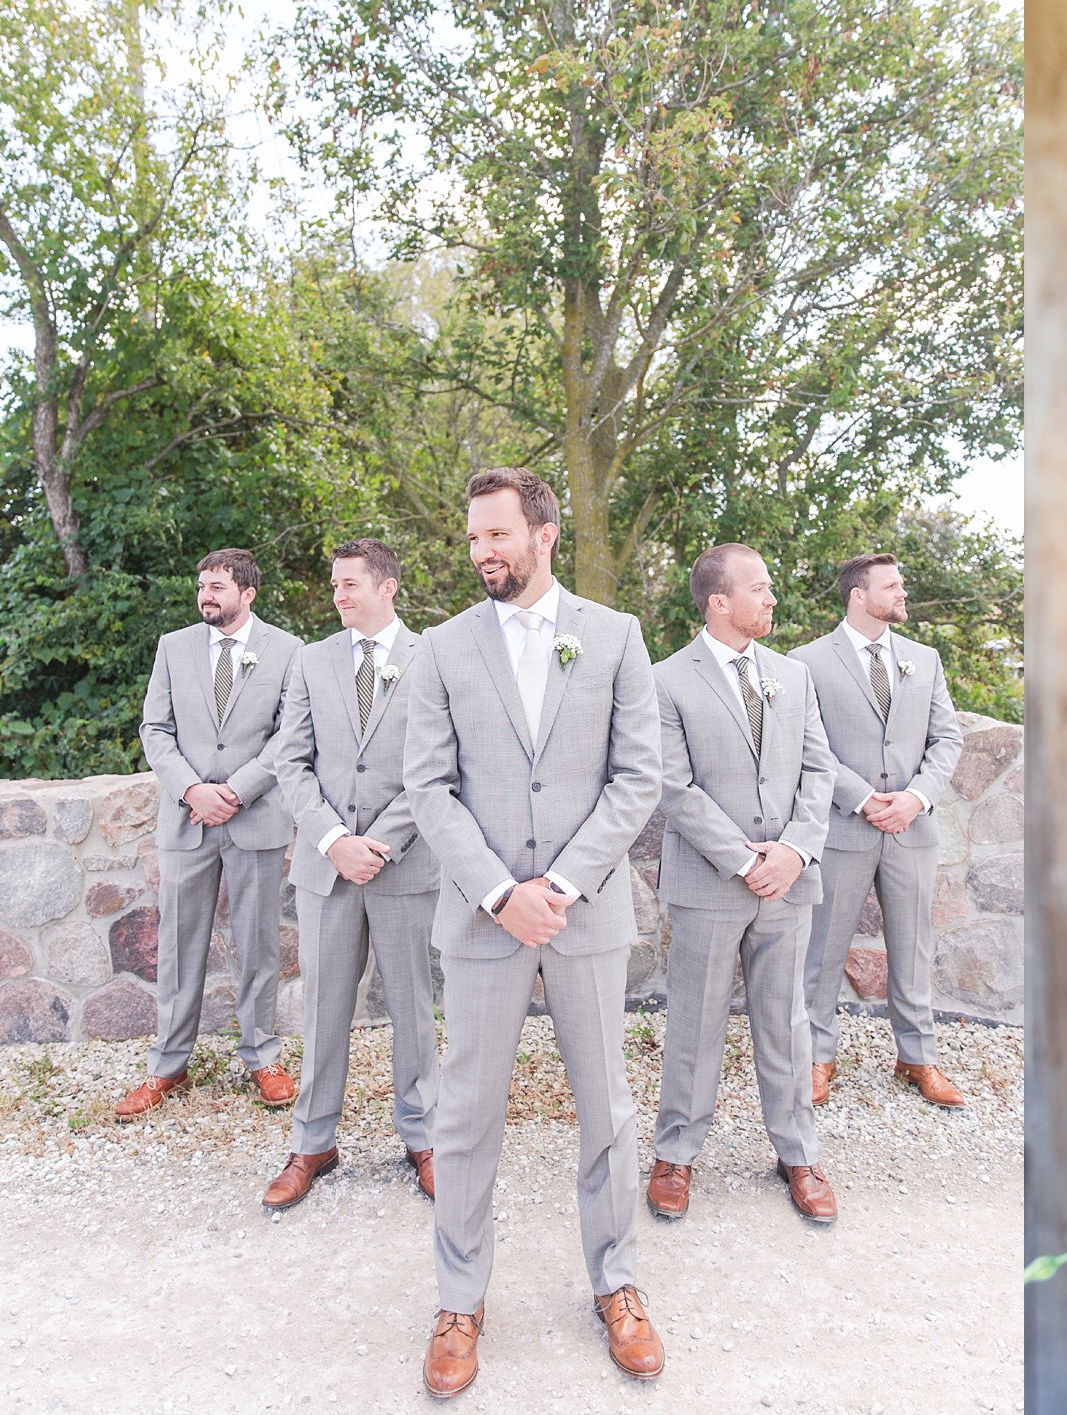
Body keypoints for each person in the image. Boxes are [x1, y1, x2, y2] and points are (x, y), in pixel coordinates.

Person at [404, 468, 664, 1396]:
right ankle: (459, 1300)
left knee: (607, 1109)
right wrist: (496, 893)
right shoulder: (439, 648)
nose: (483, 552)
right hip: (480, 925)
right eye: (474, 537)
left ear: (544, 535)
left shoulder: (617, 636)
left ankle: (620, 1285)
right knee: (467, 1115)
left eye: (498, 535)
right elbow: (427, 789)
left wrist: (554, 884)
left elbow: (638, 778)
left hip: (584, 916)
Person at [645, 543, 839, 1225]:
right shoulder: (666, 680)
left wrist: (792, 851)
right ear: (719, 602)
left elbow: (820, 770)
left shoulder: (794, 676)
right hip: (709, 882)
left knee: (787, 1023)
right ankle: (675, 1153)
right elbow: (674, 784)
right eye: (759, 589)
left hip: (790, 883)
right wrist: (744, 859)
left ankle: (797, 1152)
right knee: (693, 1024)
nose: (772, 599)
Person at [263, 538, 441, 1209]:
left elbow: (437, 766)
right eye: (334, 584)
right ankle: (313, 1143)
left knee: (412, 1009)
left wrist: (381, 841)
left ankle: (422, 1137)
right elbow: (291, 762)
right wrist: (336, 840)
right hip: (327, 868)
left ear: (387, 587)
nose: (339, 595)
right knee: (324, 1008)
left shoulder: (434, 660)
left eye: (350, 584)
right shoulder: (311, 662)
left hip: (404, 866)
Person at [119, 549, 304, 1119]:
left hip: (255, 818)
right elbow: (155, 727)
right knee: (178, 946)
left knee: (258, 946)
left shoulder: (288, 650)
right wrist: (192, 790)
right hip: (187, 819)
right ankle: (168, 1065)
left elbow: (290, 734)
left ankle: (262, 1056)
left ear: (247, 593)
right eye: (202, 586)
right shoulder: (173, 648)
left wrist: (238, 790)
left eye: (218, 587)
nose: (206, 596)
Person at [792, 553, 965, 1108]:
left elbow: (947, 739)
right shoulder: (807, 662)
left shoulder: (924, 659)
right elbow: (807, 746)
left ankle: (918, 1057)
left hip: (912, 830)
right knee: (822, 950)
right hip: (843, 829)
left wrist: (915, 798)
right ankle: (817, 1057)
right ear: (858, 595)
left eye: (901, 583)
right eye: (891, 585)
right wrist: (865, 799)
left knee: (914, 946)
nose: (902, 591)